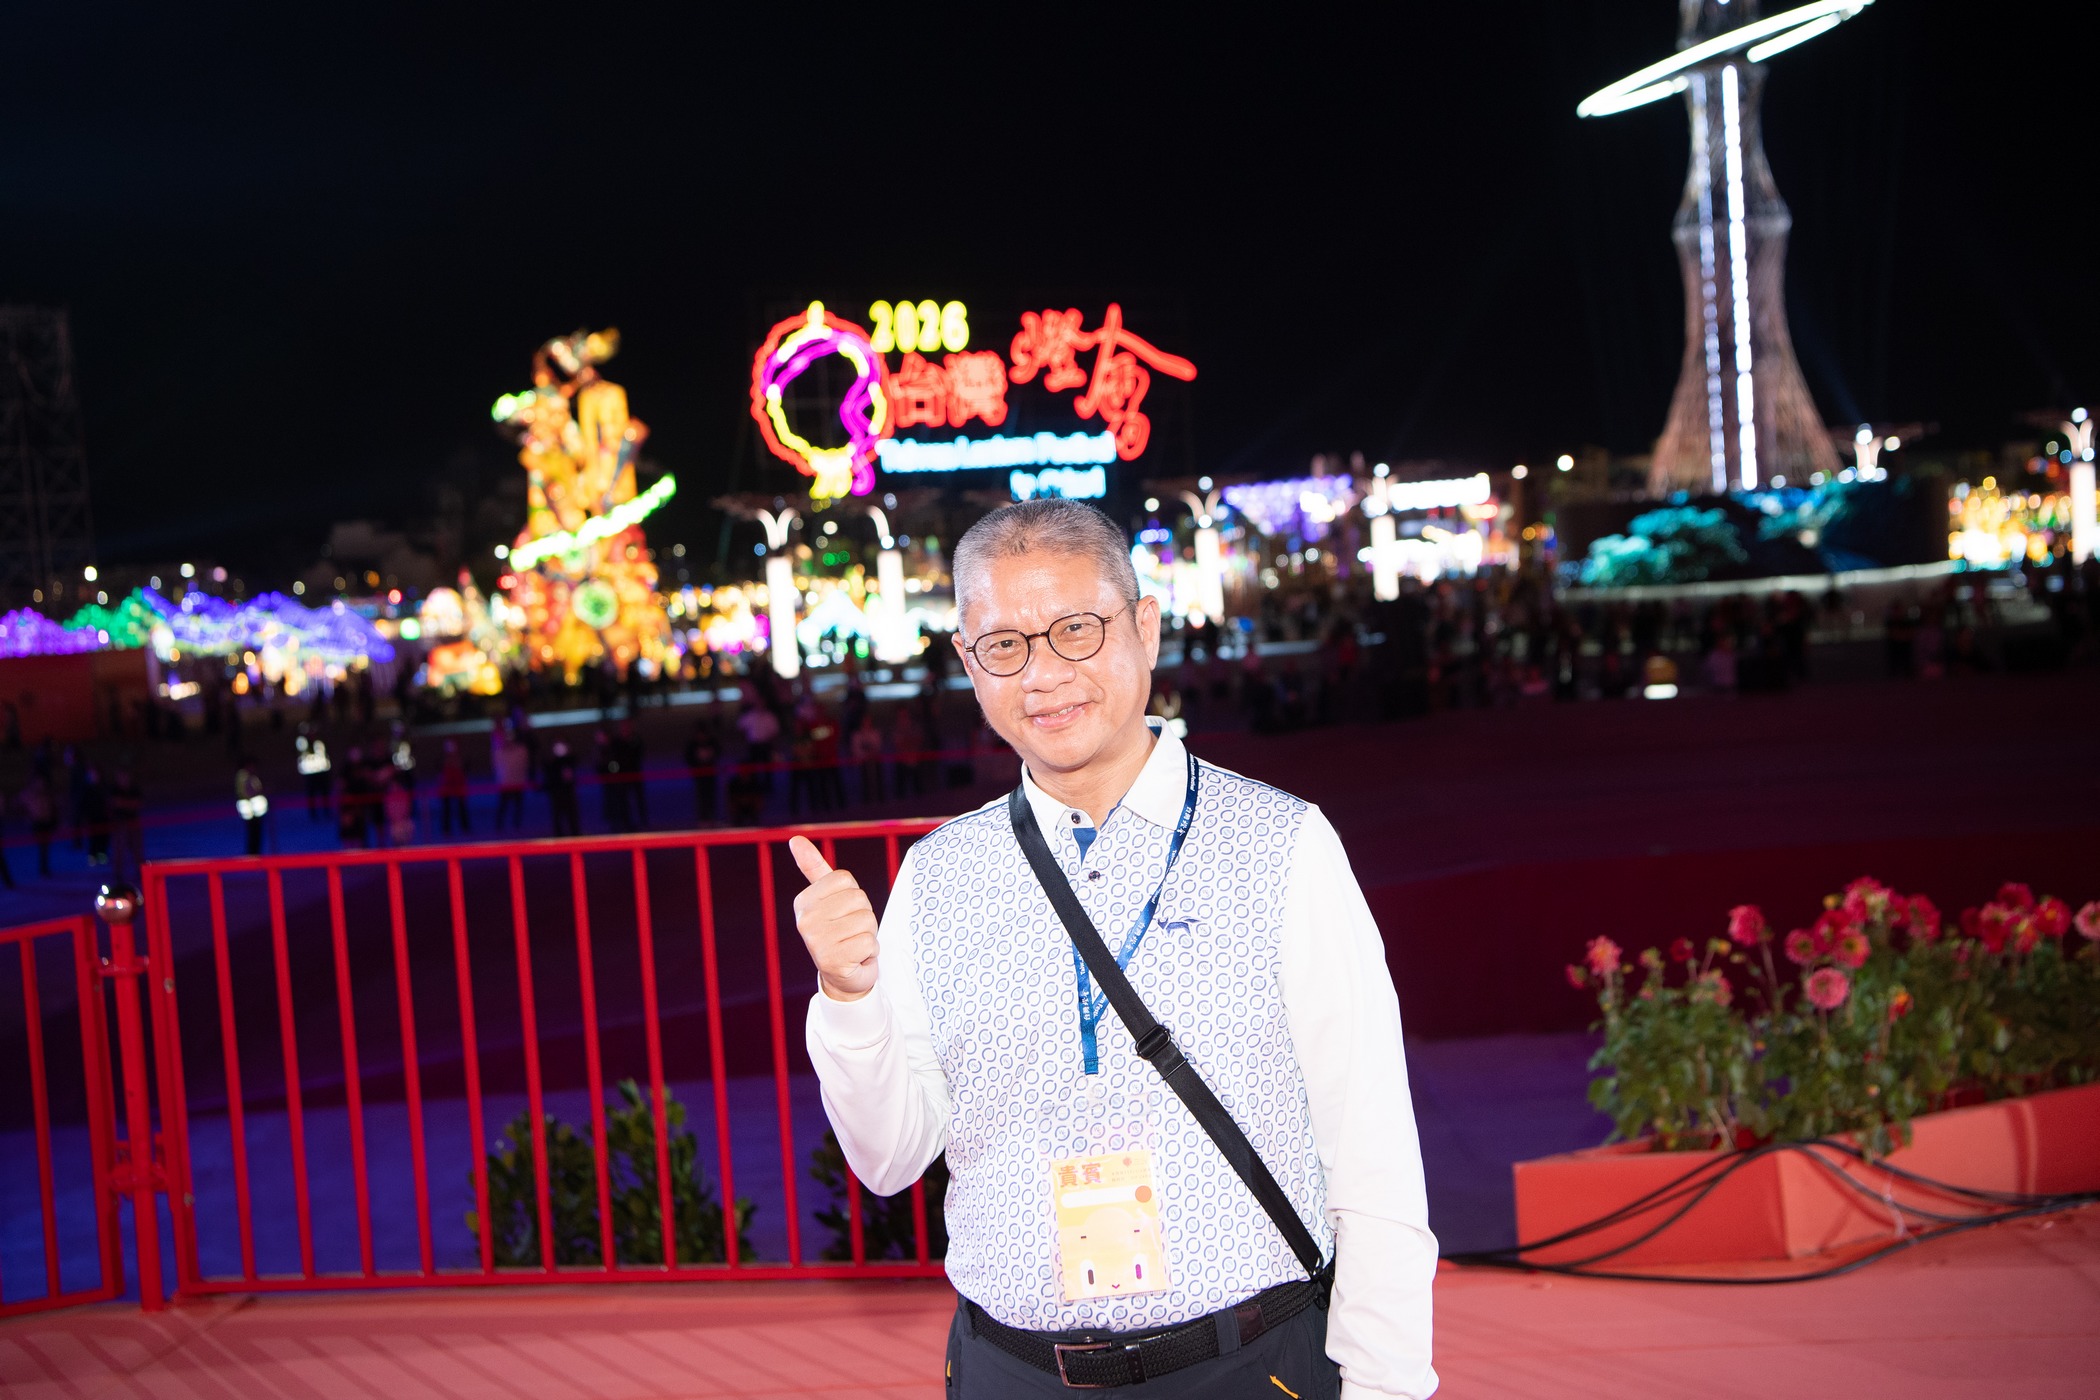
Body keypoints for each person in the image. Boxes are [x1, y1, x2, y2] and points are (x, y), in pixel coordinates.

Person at [793, 500, 1436, 1398]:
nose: (1044, 674)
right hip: (1010, 1371)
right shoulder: (938, 876)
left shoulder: (1278, 844)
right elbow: (889, 1157)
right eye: (1005, 645)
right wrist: (848, 996)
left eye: (1076, 629)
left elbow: (1372, 1149)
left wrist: (1385, 1385)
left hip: (1247, 1365)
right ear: (969, 664)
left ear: (1146, 627)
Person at [108, 763, 145, 881]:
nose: (123, 779)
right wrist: (126, 804)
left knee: (137, 850)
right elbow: (113, 803)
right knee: (118, 851)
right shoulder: (114, 790)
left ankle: (141, 872)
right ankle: (118, 875)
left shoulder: (134, 789)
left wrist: (123, 803)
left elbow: (137, 803)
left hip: (133, 823)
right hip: (119, 824)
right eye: (120, 776)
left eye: (125, 776)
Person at [492, 724, 530, 829]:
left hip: (517, 782)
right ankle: (500, 825)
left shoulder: (521, 750)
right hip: (505, 783)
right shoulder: (499, 752)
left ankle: (516, 824)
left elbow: (524, 764)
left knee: (517, 805)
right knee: (503, 805)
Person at [684, 717, 721, 824]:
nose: (701, 736)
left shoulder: (712, 742)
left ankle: (712, 817)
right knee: (701, 795)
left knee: (711, 795)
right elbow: (688, 757)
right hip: (699, 774)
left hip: (710, 773)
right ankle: (703, 818)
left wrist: (711, 756)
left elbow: (719, 752)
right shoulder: (692, 744)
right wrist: (696, 762)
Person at [544, 739, 581, 837]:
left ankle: (575, 834)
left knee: (572, 815)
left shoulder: (569, 760)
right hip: (556, 793)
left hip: (568, 792)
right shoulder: (550, 763)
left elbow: (574, 765)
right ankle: (559, 835)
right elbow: (548, 777)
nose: (560, 750)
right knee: (557, 816)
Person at [437, 738, 471, 835]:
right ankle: (446, 829)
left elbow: (465, 770)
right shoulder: (442, 760)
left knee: (461, 808)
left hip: (458, 786)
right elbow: (440, 771)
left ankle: (465, 828)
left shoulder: (460, 759)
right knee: (446, 809)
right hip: (446, 787)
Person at [234, 758, 267, 856]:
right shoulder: (244, 776)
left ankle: (255, 853)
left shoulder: (250, 776)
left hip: (254, 810)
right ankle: (253, 853)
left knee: (256, 833)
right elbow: (248, 791)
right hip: (250, 810)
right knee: (253, 832)